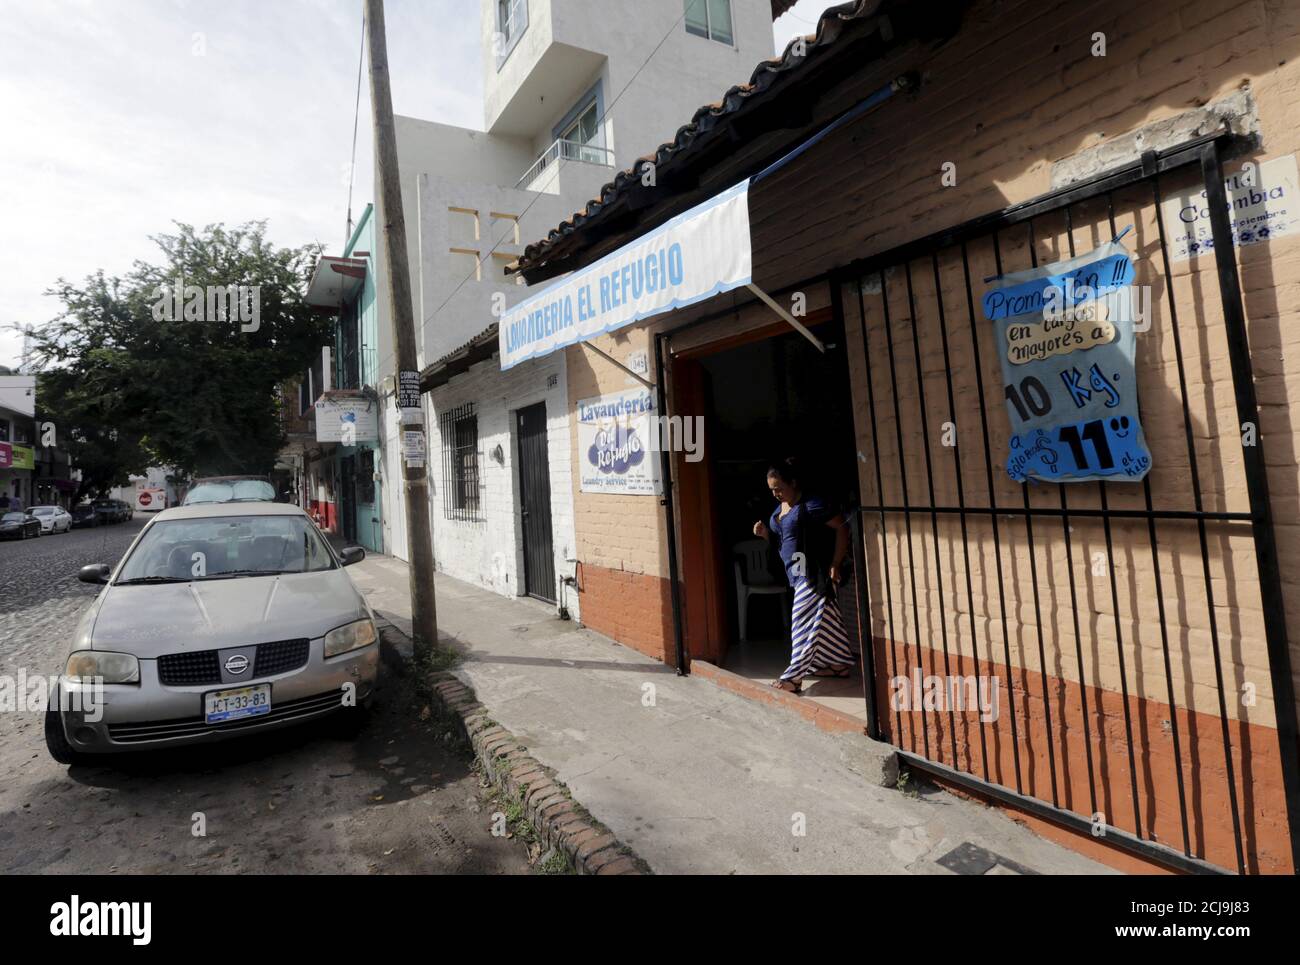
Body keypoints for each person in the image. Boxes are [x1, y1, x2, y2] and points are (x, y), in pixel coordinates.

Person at [753, 458, 854, 693]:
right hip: (796, 575)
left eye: (780, 488)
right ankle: (838, 665)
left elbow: (842, 527)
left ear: (794, 483)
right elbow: (782, 544)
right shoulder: (780, 510)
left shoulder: (812, 505)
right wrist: (766, 535)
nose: (776, 493)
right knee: (827, 621)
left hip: (814, 574)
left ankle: (794, 677)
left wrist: (836, 563)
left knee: (800, 621)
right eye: (772, 490)